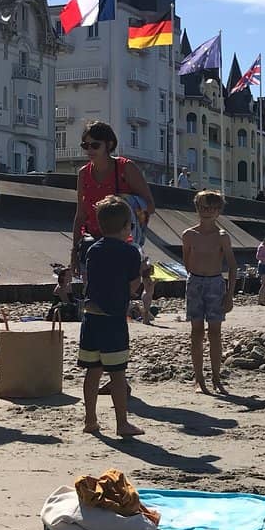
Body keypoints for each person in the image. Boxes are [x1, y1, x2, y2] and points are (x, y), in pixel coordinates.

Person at [78, 196, 144, 437]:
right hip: (113, 319)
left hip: (91, 316)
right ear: (127, 226)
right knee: (117, 374)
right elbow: (131, 288)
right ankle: (122, 423)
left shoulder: (92, 249)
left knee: (92, 371)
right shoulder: (130, 252)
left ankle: (90, 420)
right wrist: (144, 275)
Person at [70, 121, 154, 274]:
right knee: (93, 293)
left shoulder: (125, 168)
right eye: (85, 145)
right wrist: (74, 252)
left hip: (121, 242)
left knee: (118, 292)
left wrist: (124, 206)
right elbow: (80, 215)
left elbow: (149, 205)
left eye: (95, 145)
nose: (89, 150)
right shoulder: (83, 173)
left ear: (109, 145)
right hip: (93, 243)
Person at [181, 190, 236, 393]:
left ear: (218, 211)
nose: (207, 212)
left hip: (215, 283)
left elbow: (232, 265)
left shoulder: (222, 237)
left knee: (215, 333)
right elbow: (186, 260)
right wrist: (195, 278)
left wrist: (229, 295)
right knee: (196, 333)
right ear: (197, 209)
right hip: (195, 282)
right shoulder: (189, 235)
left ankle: (216, 377)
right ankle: (199, 378)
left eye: (212, 208)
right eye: (204, 207)